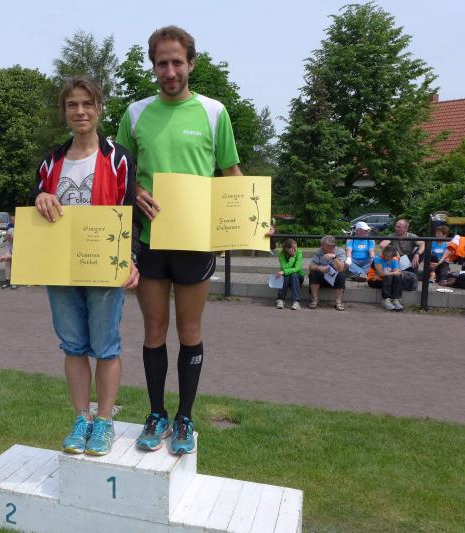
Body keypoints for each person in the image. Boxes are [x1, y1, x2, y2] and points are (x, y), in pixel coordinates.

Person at [116, 26, 270, 455]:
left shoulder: (214, 112)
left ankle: (184, 417)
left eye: (177, 62)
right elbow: (120, 174)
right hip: (150, 241)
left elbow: (232, 174)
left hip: (196, 242)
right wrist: (135, 191)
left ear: (191, 64)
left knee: (189, 331)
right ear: (153, 66)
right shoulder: (134, 114)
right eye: (161, 63)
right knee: (154, 330)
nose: (170, 71)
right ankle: (156, 414)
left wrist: (256, 222)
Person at [33, 76, 138, 456]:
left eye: (87, 104)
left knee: (106, 346)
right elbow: (36, 205)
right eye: (72, 104)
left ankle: (104, 421)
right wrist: (41, 197)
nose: (80, 111)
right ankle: (81, 419)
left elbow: (129, 212)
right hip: (60, 268)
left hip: (103, 267)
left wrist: (131, 258)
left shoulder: (119, 158)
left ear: (99, 108)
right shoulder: (51, 161)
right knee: (73, 346)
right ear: (64, 111)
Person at [308, 235, 348, 311]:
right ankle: (315, 300)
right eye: (321, 245)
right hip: (322, 278)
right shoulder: (319, 251)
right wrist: (319, 268)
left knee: (341, 275)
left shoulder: (340, 251)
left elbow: (341, 269)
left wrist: (334, 257)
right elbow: (311, 266)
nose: (321, 247)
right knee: (313, 273)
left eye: (323, 245)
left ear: (332, 247)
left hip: (335, 279)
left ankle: (338, 302)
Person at [367, 246, 403, 311]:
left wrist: (392, 273)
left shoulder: (394, 259)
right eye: (386, 257)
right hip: (373, 280)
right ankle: (385, 299)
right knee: (388, 277)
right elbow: (381, 273)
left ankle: (395, 299)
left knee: (397, 277)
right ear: (383, 254)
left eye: (390, 257)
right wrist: (392, 273)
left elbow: (396, 272)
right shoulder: (378, 259)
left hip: (384, 279)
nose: (388, 259)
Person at [275, 238, 304, 310]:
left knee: (293, 274)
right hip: (287, 278)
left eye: (296, 247)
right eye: (293, 248)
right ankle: (280, 300)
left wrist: (284, 271)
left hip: (298, 278)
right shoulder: (281, 254)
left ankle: (296, 302)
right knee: (286, 275)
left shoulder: (299, 252)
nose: (295, 250)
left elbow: (297, 268)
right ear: (286, 248)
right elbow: (284, 267)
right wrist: (292, 257)